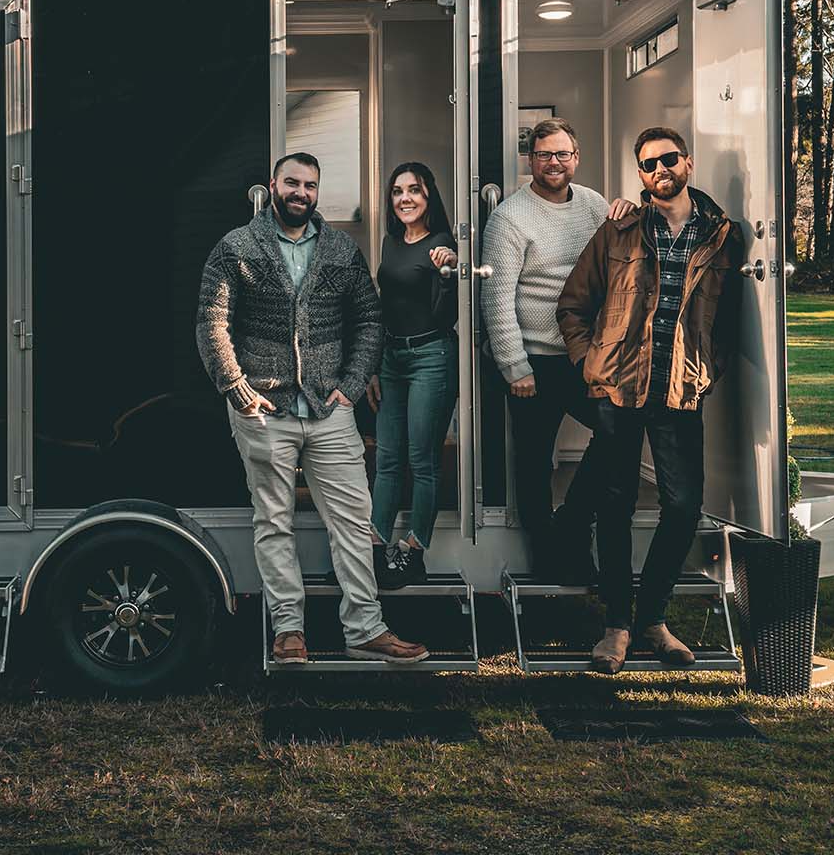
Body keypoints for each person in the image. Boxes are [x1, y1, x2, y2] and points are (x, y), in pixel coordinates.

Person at [195, 152, 428, 665]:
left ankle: (365, 628)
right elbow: (212, 322)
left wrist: (352, 381)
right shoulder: (237, 246)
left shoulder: (341, 248)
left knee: (354, 518)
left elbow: (369, 319)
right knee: (273, 520)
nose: (301, 193)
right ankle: (288, 632)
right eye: (292, 183)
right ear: (272, 186)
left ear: (318, 192)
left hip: (329, 409)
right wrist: (234, 385)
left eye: (311, 185)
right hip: (263, 408)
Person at [557, 126, 742, 674]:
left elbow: (729, 322)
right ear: (640, 175)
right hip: (620, 386)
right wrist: (590, 362)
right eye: (647, 164)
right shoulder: (620, 231)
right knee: (613, 505)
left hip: (679, 389)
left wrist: (708, 370)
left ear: (687, 162)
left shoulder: (721, 237)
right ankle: (616, 625)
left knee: (683, 505)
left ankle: (654, 620)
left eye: (667, 160)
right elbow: (573, 305)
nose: (659, 170)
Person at [479, 118, 631, 584]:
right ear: (530, 161)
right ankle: (549, 556)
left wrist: (628, 214)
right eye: (544, 155)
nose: (554, 163)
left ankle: (573, 522)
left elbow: (621, 257)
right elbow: (497, 297)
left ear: (576, 157)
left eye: (562, 154)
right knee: (534, 461)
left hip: (584, 354)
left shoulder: (592, 205)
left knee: (618, 431)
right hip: (534, 360)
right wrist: (514, 367)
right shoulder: (509, 216)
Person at [365, 162, 459, 589]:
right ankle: (375, 546)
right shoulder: (390, 242)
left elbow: (448, 310)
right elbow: (385, 305)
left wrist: (451, 269)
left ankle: (415, 550)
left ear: (428, 197)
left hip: (431, 357)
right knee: (386, 459)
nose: (405, 198)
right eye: (398, 191)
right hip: (392, 359)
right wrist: (373, 364)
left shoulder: (442, 244)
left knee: (422, 460)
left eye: (414, 191)